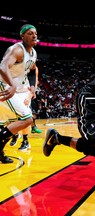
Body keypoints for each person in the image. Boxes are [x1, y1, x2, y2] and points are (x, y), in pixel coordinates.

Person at [0, 24, 38, 163]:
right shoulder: (17, 49)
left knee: (8, 124)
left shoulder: (33, 53)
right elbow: (3, 66)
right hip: (4, 87)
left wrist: (33, 86)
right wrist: (11, 85)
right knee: (27, 119)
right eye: (29, 33)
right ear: (22, 36)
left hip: (17, 89)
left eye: (35, 33)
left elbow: (33, 70)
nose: (34, 35)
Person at [9, 66, 42, 150]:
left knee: (25, 117)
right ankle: (15, 134)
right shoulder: (10, 61)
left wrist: (29, 96)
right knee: (11, 116)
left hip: (24, 92)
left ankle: (25, 141)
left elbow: (34, 81)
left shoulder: (31, 65)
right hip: (12, 92)